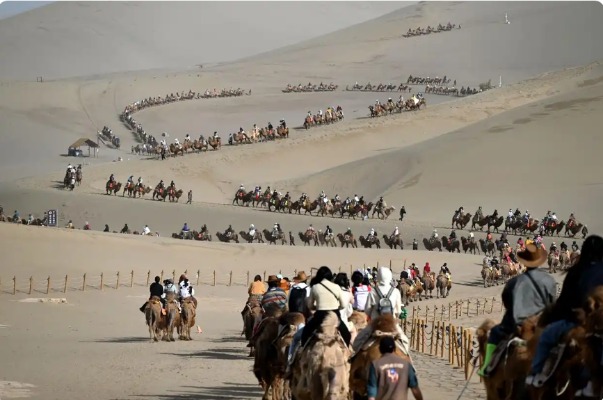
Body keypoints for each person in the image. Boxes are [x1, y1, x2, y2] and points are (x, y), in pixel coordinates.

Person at [526, 235, 603, 395]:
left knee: (546, 337)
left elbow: (564, 301)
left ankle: (537, 373)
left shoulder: (576, 271)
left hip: (576, 321)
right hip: (599, 324)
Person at [478, 243, 557, 376]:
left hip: (516, 325)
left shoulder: (514, 281)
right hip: (540, 325)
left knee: (495, 333)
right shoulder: (549, 281)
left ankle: (487, 366)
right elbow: (552, 304)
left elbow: (506, 301)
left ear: (524, 262)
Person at [353, 266, 409, 354]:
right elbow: (398, 312)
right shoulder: (395, 291)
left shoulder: (373, 292)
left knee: (357, 342)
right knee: (405, 342)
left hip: (375, 324)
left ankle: (354, 358)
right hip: (391, 325)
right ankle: (408, 359)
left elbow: (367, 311)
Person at [300, 266, 351, 348]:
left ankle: (302, 349)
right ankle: (347, 351)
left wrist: (316, 307)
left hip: (320, 316)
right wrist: (336, 307)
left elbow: (310, 305)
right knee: (346, 334)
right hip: (334, 315)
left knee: (306, 332)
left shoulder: (315, 287)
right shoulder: (336, 287)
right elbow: (343, 305)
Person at [367, 336, 424, 400]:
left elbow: (372, 389)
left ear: (380, 349)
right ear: (394, 348)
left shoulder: (375, 365)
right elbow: (415, 389)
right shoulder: (406, 364)